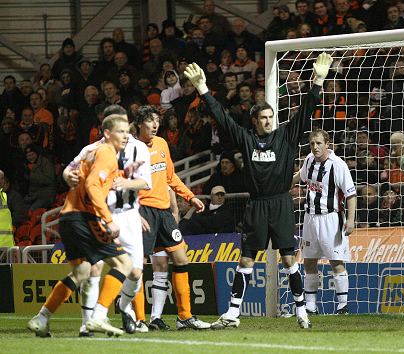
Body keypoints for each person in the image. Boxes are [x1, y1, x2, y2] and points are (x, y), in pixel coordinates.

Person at [184, 52, 333, 329]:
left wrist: (319, 80)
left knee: (289, 260)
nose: (268, 121)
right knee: (246, 259)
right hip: (256, 206)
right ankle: (232, 313)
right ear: (254, 121)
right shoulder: (246, 139)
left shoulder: (286, 137)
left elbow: (305, 110)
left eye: (270, 117)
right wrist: (203, 89)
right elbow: (223, 118)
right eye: (263, 117)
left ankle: (302, 312)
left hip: (280, 204)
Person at [27, 114, 133, 337]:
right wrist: (109, 219)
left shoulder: (92, 152)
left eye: (127, 131)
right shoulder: (107, 153)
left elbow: (78, 174)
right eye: (121, 131)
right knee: (124, 263)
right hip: (85, 217)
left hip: (68, 217)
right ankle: (99, 316)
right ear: (107, 133)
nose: (126, 135)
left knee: (82, 271)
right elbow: (94, 187)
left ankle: (42, 318)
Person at [62, 105, 152, 336]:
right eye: (116, 126)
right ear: (107, 127)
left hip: (129, 215)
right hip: (100, 214)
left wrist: (125, 184)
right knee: (94, 267)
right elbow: (69, 169)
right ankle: (88, 324)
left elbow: (145, 183)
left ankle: (123, 307)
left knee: (134, 273)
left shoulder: (139, 148)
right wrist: (67, 175)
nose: (122, 131)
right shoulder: (92, 148)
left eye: (124, 125)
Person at [134, 105, 211, 330]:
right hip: (142, 212)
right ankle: (139, 319)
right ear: (140, 124)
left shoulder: (161, 144)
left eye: (157, 120)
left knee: (181, 258)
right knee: (139, 265)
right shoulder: (131, 149)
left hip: (164, 212)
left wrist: (189, 197)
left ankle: (184, 316)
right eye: (150, 121)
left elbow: (170, 177)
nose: (156, 125)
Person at [294, 129, 356, 315]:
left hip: (331, 218)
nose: (315, 147)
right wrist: (282, 185)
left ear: (327, 144)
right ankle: (311, 306)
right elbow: (300, 176)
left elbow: (351, 194)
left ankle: (342, 306)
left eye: (319, 143)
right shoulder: (309, 160)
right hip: (310, 218)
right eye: (312, 143)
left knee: (336, 262)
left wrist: (351, 220)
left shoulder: (338, 165)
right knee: (309, 262)